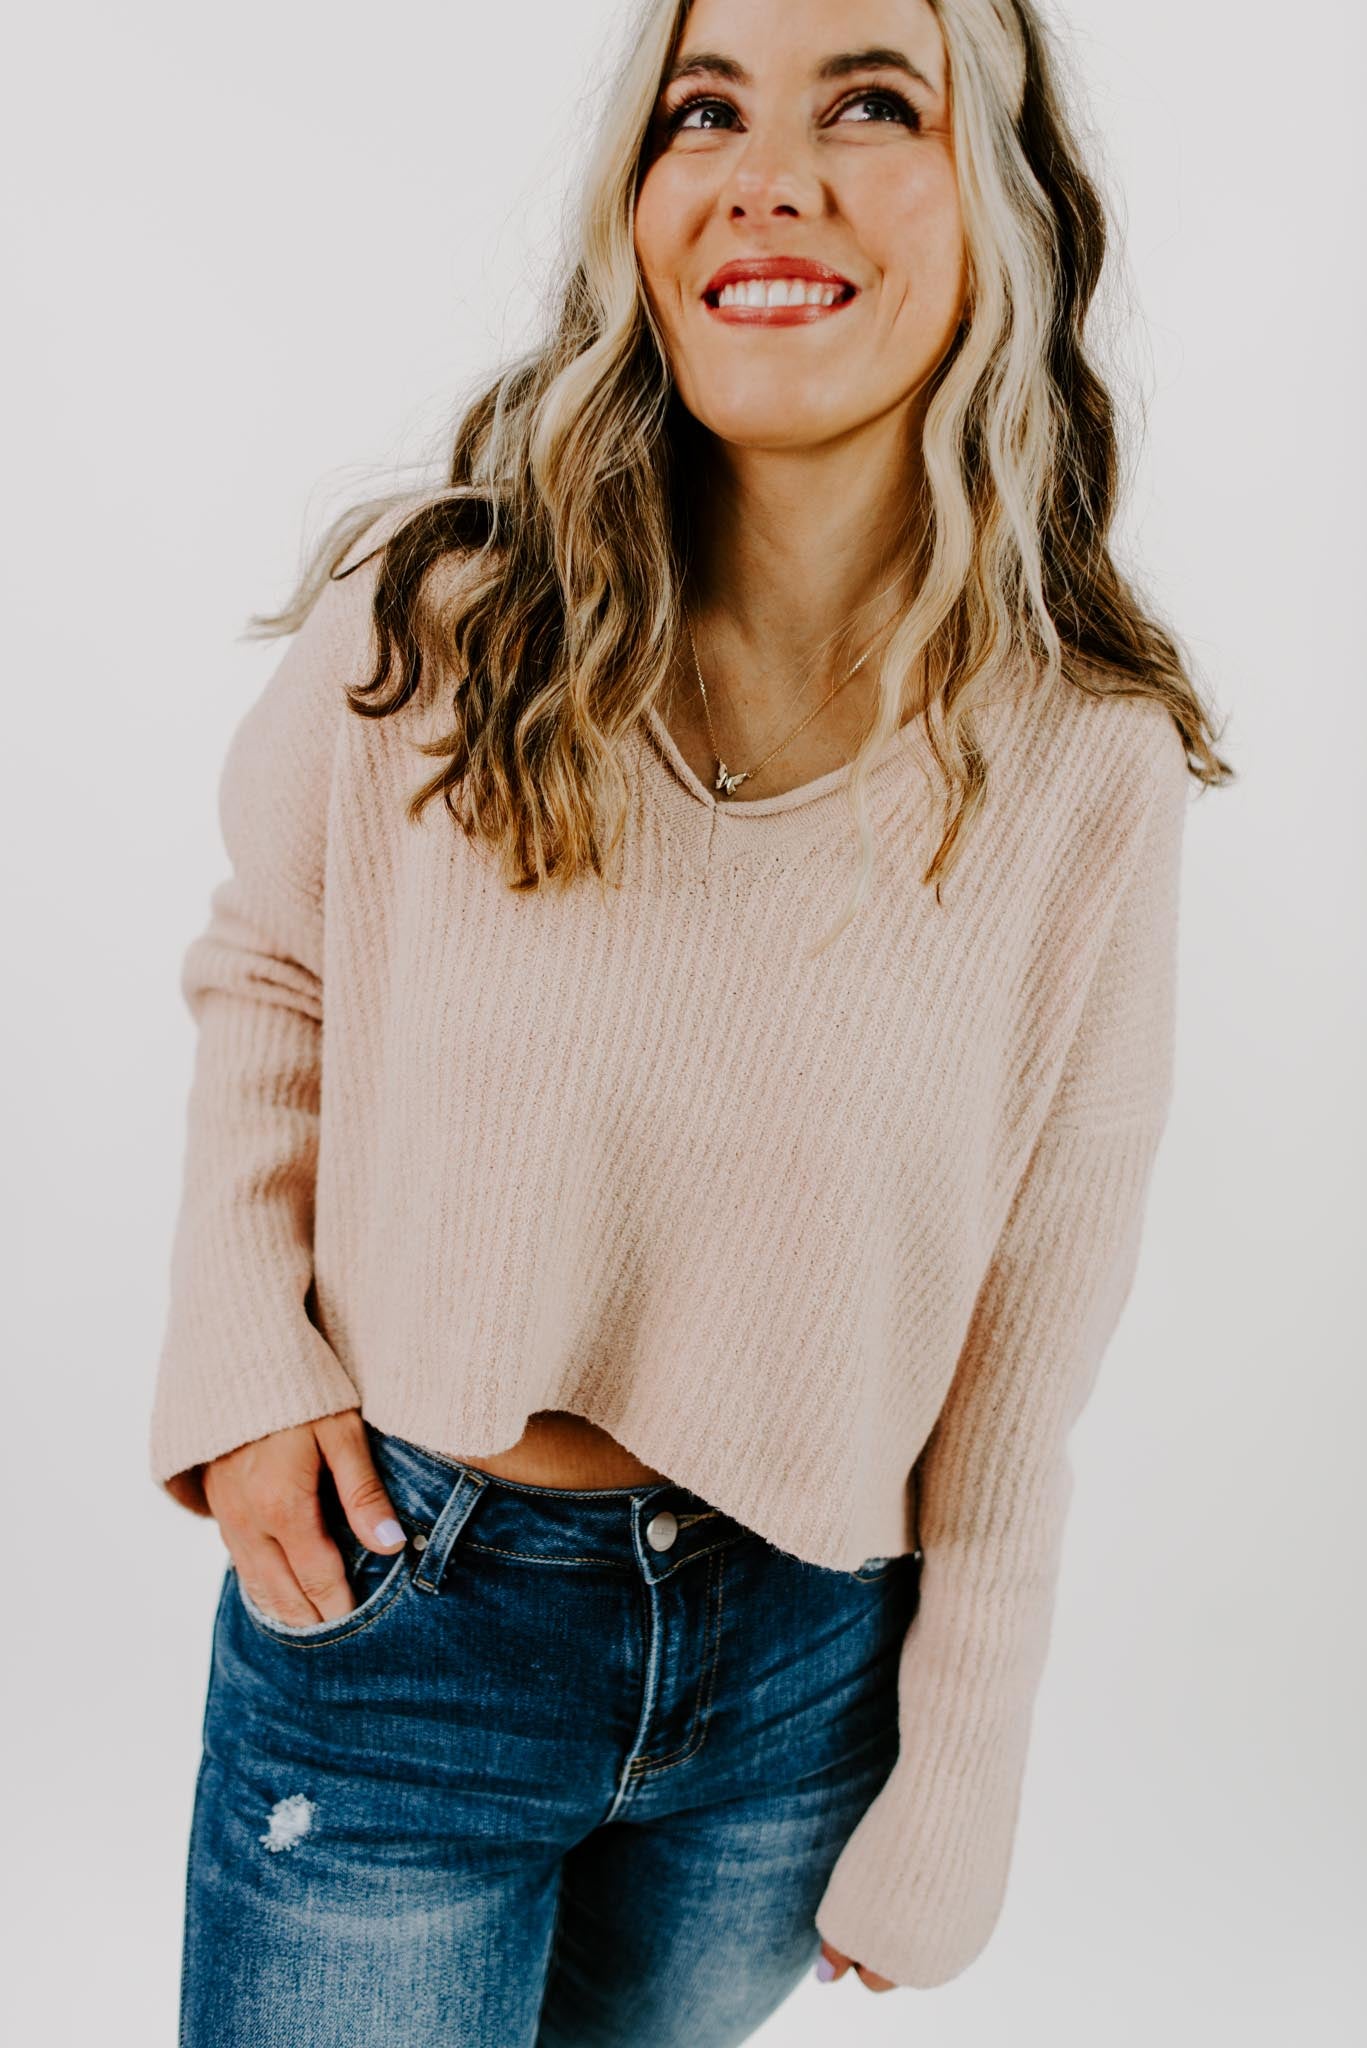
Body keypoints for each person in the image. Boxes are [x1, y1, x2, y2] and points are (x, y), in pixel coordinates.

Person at [150, 0, 1233, 2040]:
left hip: (796, 1682)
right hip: (400, 1613)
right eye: (701, 110)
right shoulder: (440, 617)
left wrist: (967, 1760)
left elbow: (1040, 1302)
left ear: (1001, 203)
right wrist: (239, 1356)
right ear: (634, 199)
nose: (767, 176)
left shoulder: (1084, 762)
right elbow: (276, 963)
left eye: (872, 103)